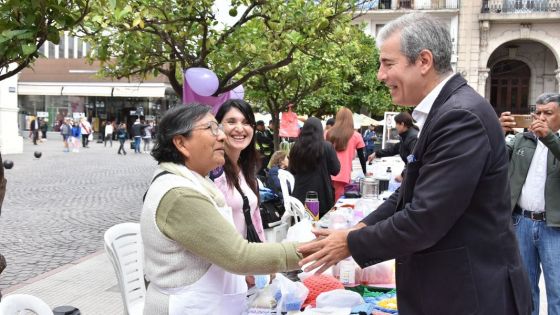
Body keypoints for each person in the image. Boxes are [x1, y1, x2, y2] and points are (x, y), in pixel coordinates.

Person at [298, 13, 531, 315]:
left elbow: (425, 218)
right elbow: (407, 190)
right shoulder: (446, 110)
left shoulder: (460, 116)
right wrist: (360, 227)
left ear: (423, 61)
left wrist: (352, 243)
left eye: (388, 63)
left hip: (469, 295)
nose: (380, 75)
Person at [141, 104, 302, 314]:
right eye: (211, 129)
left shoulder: (195, 181)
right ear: (181, 143)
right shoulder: (180, 195)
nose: (222, 137)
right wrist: (310, 250)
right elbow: (239, 255)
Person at [499, 92, 560, 315]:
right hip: (521, 222)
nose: (541, 118)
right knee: (524, 290)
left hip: (554, 228)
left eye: (549, 113)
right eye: (538, 113)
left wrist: (549, 138)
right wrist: (498, 132)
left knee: (558, 292)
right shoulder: (522, 139)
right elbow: (493, 157)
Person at [213, 100, 266, 244]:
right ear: (217, 127)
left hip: (248, 260)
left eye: (246, 122)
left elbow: (256, 224)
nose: (239, 128)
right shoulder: (212, 171)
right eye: (231, 121)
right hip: (222, 262)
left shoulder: (246, 169)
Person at [289, 117, 340, 218]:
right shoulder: (327, 147)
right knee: (318, 229)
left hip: (300, 196)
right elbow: (335, 170)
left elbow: (292, 170)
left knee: (304, 228)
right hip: (322, 197)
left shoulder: (296, 147)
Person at [326, 107, 366, 200]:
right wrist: (365, 172)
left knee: (328, 202)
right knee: (337, 205)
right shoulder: (356, 135)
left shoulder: (328, 133)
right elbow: (361, 156)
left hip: (327, 174)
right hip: (343, 175)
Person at [368, 112, 419, 181]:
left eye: (396, 124)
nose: (395, 127)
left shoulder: (413, 137)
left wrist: (403, 175)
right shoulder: (405, 136)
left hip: (416, 177)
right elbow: (393, 149)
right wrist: (376, 153)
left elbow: (413, 159)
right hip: (411, 174)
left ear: (402, 124)